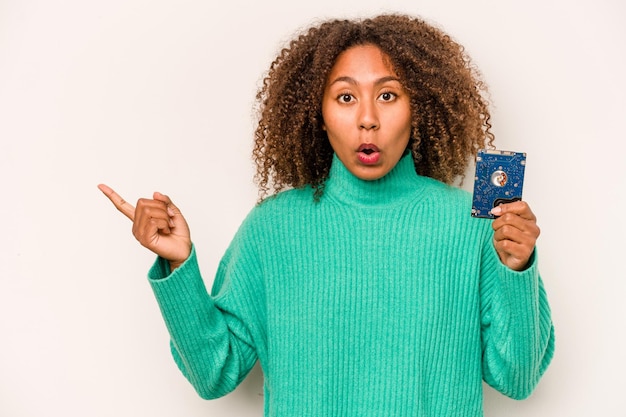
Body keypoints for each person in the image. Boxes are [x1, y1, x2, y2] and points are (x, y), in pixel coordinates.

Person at [98, 13, 554, 416]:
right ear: (317, 114)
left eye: (389, 96)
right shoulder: (273, 229)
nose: (368, 119)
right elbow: (214, 373)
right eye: (345, 98)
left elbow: (518, 378)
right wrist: (179, 265)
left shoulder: (474, 226)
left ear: (419, 108)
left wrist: (517, 270)